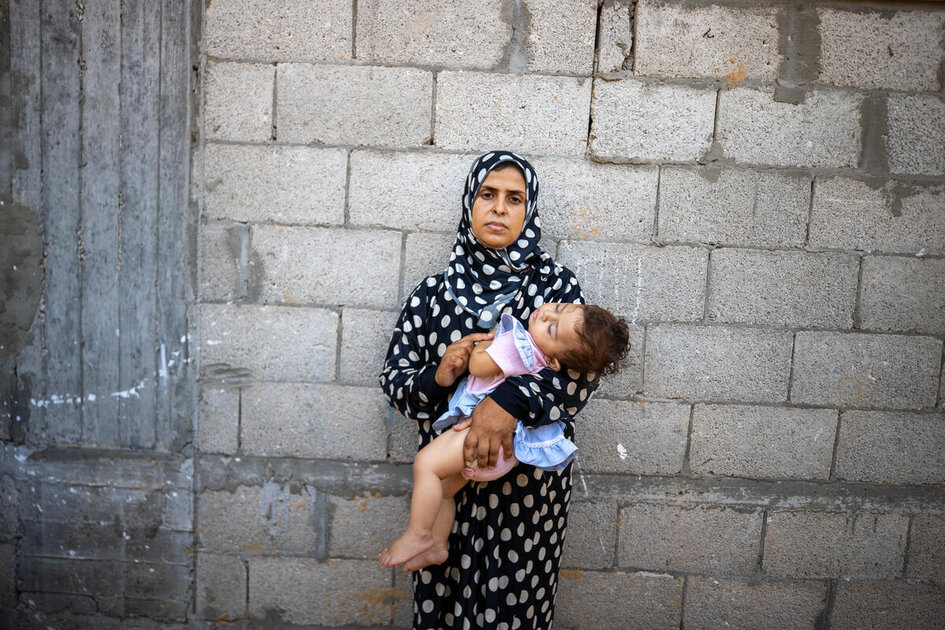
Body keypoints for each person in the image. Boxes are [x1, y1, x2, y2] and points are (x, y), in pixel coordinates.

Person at [379, 151, 608, 629]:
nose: (499, 208)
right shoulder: (433, 294)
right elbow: (396, 382)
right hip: (448, 485)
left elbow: (581, 377)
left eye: (514, 198)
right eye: (488, 195)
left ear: (530, 211)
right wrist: (438, 376)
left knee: (513, 611)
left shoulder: (555, 287)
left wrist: (506, 403)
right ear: (470, 203)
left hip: (526, 495)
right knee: (443, 606)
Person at [379, 304, 628, 569]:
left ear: (555, 361)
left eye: (551, 327)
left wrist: (483, 345)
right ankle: (437, 546)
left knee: (425, 464)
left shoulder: (522, 346)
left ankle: (418, 535)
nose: (545, 315)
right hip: (499, 449)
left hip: (482, 436)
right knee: (442, 491)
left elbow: (478, 366)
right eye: (556, 307)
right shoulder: (542, 357)